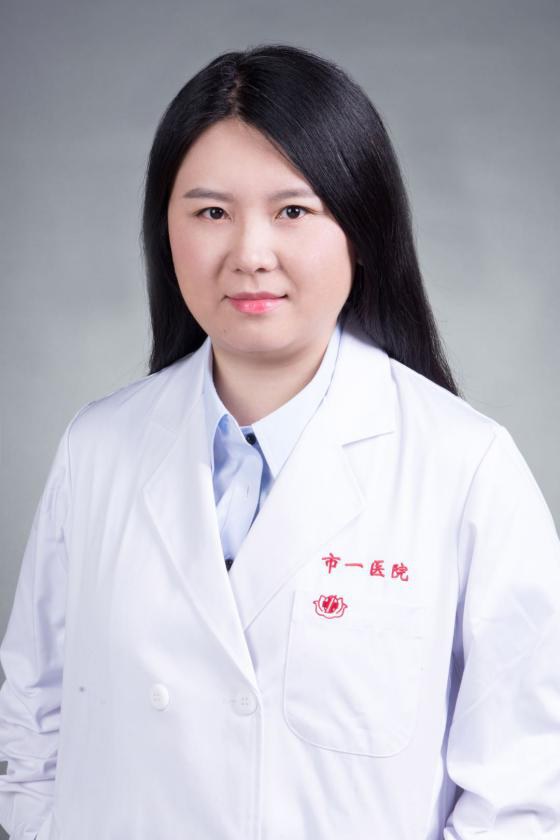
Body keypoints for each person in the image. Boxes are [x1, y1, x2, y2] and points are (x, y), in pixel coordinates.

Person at [1, 42, 559, 840]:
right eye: (211, 213)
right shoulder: (97, 449)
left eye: (293, 211)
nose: (250, 255)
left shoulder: (466, 467)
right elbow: (30, 724)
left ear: (360, 228)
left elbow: (524, 790)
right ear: (165, 230)